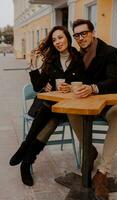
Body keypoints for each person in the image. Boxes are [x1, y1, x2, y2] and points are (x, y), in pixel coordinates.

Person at [9, 25, 86, 186]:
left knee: (50, 113)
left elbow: (84, 83)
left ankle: (25, 153)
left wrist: (71, 87)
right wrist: (34, 64)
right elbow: (38, 87)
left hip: (69, 107)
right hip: (49, 105)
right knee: (49, 116)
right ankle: (26, 161)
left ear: (67, 38)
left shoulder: (79, 58)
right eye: (54, 39)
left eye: (60, 37)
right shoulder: (51, 60)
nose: (58, 42)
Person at [67, 19, 117, 200]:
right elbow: (71, 78)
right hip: (87, 104)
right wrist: (68, 85)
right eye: (76, 35)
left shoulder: (110, 52)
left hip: (108, 103)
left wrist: (93, 88)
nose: (80, 38)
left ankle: (102, 173)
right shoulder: (77, 56)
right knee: (70, 110)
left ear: (93, 33)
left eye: (84, 33)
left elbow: (113, 80)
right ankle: (89, 149)